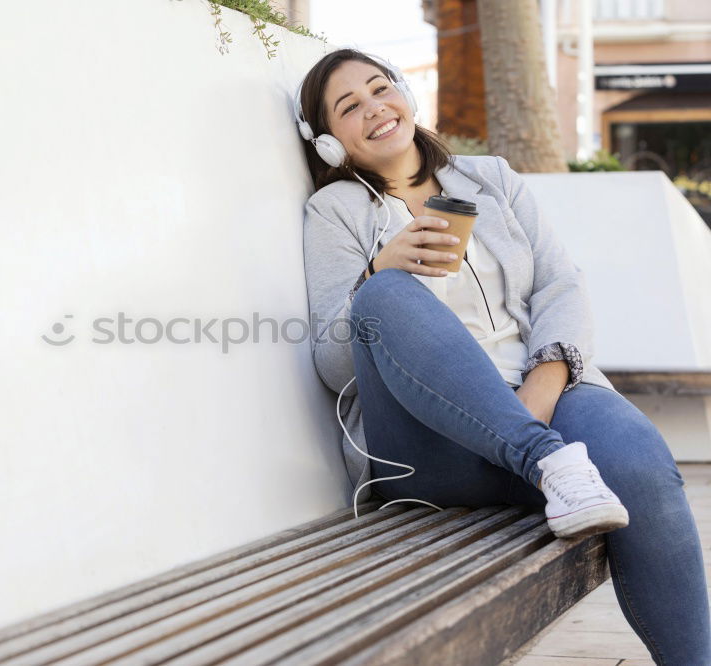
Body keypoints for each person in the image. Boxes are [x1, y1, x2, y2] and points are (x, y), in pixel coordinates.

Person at [296, 48, 710, 665]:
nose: (375, 109)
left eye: (381, 89)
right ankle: (546, 462)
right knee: (383, 294)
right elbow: (334, 367)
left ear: (405, 95)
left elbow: (561, 285)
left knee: (642, 464)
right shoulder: (334, 212)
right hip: (432, 449)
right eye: (349, 107)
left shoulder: (490, 178)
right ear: (329, 141)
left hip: (544, 402)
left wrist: (542, 387)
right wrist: (378, 269)